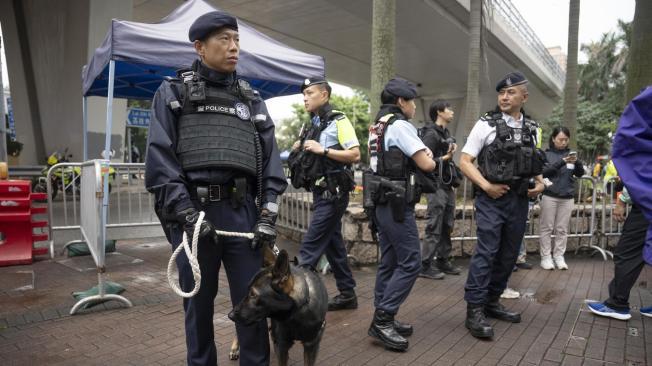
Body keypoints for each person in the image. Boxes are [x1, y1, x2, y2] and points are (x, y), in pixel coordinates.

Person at [144, 11, 287, 366]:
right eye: (224, 39)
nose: (234, 47)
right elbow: (161, 162)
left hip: (242, 216)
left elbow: (270, 163)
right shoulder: (173, 93)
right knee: (198, 309)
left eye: (236, 39)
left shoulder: (251, 99)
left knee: (253, 306)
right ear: (200, 47)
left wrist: (268, 213)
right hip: (194, 215)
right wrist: (187, 213)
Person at [458, 71, 545, 339]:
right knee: (487, 252)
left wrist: (540, 184)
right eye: (502, 93)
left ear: (524, 96)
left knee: (509, 255)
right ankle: (474, 310)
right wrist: (486, 186)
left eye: (511, 92)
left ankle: (492, 301)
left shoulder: (533, 128)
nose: (505, 97)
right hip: (491, 200)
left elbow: (535, 163)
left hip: (519, 201)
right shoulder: (486, 124)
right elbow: (464, 161)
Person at [366, 78, 437, 351]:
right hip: (396, 203)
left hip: (381, 202)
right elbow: (427, 163)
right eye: (412, 102)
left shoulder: (377, 126)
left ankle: (383, 315)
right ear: (400, 102)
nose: (415, 108)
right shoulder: (400, 126)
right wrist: (428, 153)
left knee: (390, 262)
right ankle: (383, 320)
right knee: (410, 262)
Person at [289, 77, 361, 311]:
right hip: (321, 192)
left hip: (334, 192)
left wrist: (324, 149)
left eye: (310, 93)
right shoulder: (312, 124)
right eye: (304, 95)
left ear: (325, 95)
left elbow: (354, 154)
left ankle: (293, 297)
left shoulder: (339, 120)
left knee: (310, 247)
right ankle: (348, 293)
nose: (305, 98)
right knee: (333, 245)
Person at [587, 188, 651, 319]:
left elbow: (640, 172)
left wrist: (621, 201)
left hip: (647, 205)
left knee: (628, 253)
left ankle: (617, 304)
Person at [418, 99, 461, 280]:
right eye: (449, 109)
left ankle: (443, 259)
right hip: (435, 184)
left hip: (447, 184)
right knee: (435, 224)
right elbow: (423, 162)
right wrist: (446, 157)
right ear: (439, 112)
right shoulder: (430, 134)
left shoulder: (445, 132)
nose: (452, 112)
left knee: (447, 224)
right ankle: (424, 264)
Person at [538, 126, 584, 270]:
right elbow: (544, 172)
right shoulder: (547, 154)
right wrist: (562, 162)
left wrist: (577, 163)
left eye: (566, 139)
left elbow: (580, 173)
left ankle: (559, 256)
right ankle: (546, 257)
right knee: (546, 228)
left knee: (562, 229)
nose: (563, 142)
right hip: (549, 196)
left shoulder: (571, 154)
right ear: (553, 139)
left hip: (567, 197)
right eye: (560, 139)